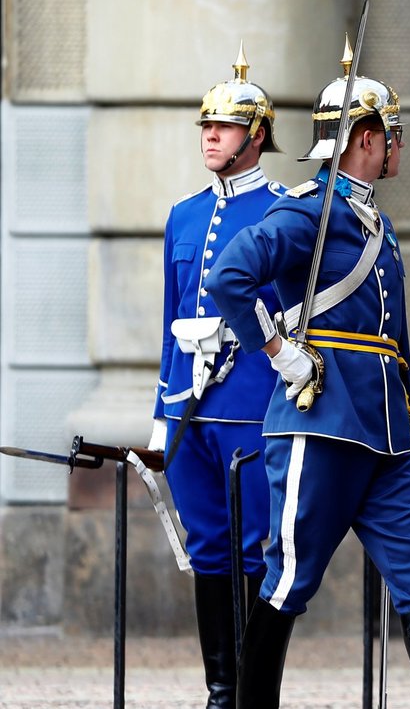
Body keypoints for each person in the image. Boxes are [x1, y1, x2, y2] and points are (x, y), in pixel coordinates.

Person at [209, 45, 410, 709]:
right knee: (288, 580)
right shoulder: (308, 212)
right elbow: (229, 278)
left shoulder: (373, 222)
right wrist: (279, 352)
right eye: (392, 136)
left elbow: (393, 341)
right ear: (366, 138)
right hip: (321, 422)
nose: (398, 148)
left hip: (383, 437)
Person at [149, 43, 283, 708]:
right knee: (207, 549)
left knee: (253, 550)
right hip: (190, 410)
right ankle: (220, 688)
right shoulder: (184, 213)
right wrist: (160, 411)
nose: (210, 136)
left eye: (223, 127)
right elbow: (170, 318)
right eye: (205, 126)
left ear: (255, 137)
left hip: (254, 404)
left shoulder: (286, 211)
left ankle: (252, 692)